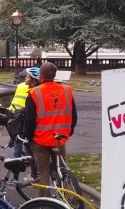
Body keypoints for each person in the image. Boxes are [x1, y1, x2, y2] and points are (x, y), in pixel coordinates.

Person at [23, 62, 77, 197]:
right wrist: (68, 132)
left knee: (43, 173)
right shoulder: (66, 90)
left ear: (40, 76)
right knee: (62, 169)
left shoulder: (34, 93)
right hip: (60, 138)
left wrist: (28, 137)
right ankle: (64, 197)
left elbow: (29, 121)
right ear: (54, 75)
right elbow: (73, 116)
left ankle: (45, 203)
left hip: (40, 140)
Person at [9, 67, 40, 157]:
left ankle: (18, 157)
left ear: (33, 79)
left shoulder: (32, 91)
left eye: (27, 76)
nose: (25, 78)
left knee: (20, 136)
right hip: (20, 113)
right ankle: (26, 157)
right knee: (23, 137)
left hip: (19, 113)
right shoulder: (30, 88)